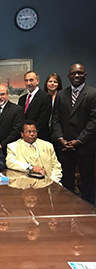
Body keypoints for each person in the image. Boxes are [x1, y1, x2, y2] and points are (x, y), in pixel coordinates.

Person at [52, 63, 96, 204]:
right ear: (68, 76)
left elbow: (93, 121)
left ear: (85, 75)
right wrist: (60, 139)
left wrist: (79, 140)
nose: (76, 75)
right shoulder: (60, 94)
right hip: (64, 147)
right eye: (73, 73)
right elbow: (55, 120)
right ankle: (68, 211)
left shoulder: (92, 94)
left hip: (85, 147)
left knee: (88, 182)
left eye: (80, 73)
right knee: (66, 181)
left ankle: (88, 214)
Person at [0, 84, 24, 154]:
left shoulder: (16, 109)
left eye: (2, 94)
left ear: (7, 95)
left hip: (10, 148)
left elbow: (16, 130)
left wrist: (2, 144)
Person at [18, 71, 52, 141]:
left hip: (40, 137)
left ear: (37, 81)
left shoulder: (45, 97)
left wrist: (30, 132)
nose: (28, 83)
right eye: (26, 80)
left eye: (31, 80)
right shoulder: (22, 99)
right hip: (24, 138)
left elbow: (43, 120)